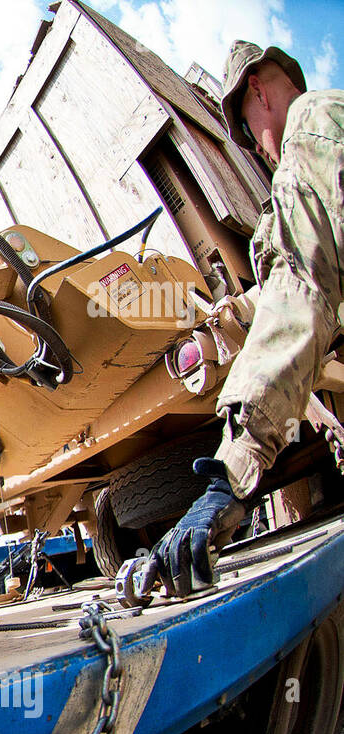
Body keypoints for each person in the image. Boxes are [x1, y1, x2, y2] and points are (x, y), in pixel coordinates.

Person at [141, 40, 343, 597]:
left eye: (251, 133)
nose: (258, 147)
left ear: (257, 89)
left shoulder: (310, 123)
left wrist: (228, 476)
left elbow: (303, 287)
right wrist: (230, 320)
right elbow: (298, 283)